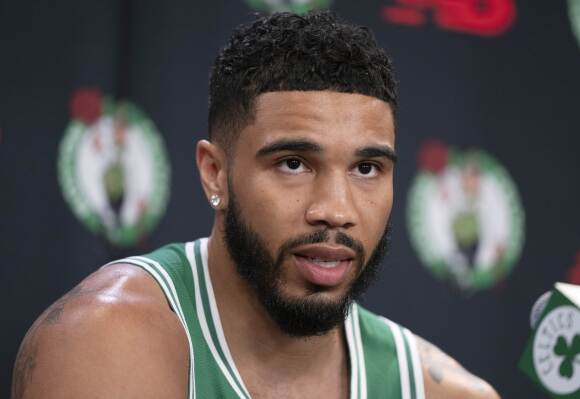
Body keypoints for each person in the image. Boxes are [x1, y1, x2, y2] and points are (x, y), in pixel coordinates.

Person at [11, 11, 500, 399]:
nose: (335, 209)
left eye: (366, 168)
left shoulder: (446, 392)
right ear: (214, 173)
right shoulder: (102, 345)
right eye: (293, 163)